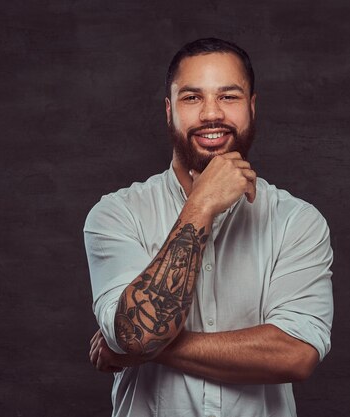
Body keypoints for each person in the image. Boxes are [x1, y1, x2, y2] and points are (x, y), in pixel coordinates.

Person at [84, 38, 334, 417]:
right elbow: (140, 334)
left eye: (229, 97)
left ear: (252, 107)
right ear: (169, 111)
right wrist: (201, 204)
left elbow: (295, 354)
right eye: (192, 98)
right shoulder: (116, 214)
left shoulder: (298, 221)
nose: (211, 114)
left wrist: (137, 347)